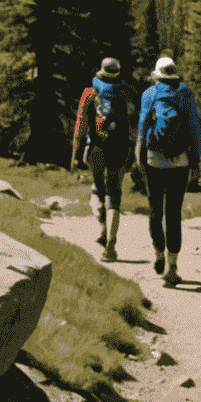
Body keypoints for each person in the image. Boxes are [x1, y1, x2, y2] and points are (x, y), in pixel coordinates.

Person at [136, 55, 201, 288]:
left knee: (155, 210)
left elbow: (143, 125)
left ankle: (158, 255)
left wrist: (139, 155)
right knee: (173, 213)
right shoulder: (186, 93)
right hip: (180, 162)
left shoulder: (149, 94)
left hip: (154, 160)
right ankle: (173, 267)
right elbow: (194, 127)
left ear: (157, 75)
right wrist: (196, 159)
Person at [70, 56, 130, 263]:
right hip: (120, 148)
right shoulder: (125, 92)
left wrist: (75, 154)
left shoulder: (90, 92)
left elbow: (80, 124)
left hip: (96, 148)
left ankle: (102, 229)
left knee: (98, 189)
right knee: (115, 194)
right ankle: (111, 246)